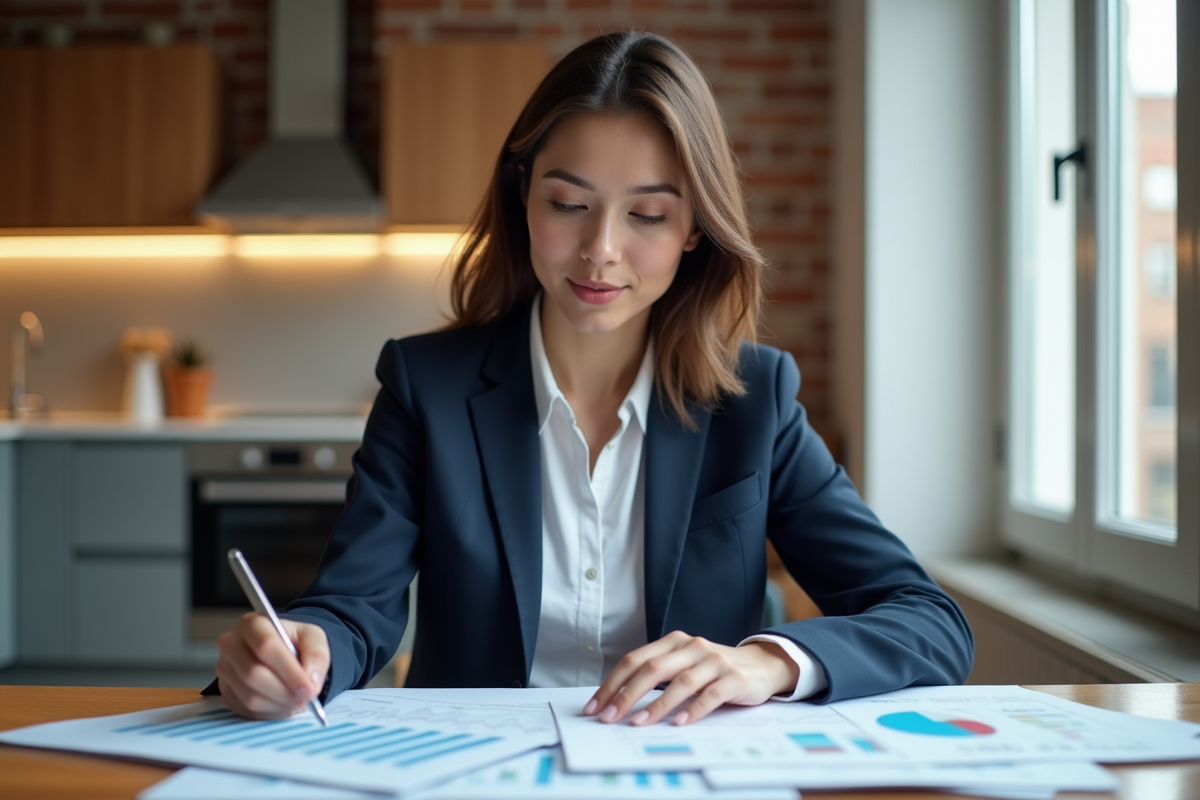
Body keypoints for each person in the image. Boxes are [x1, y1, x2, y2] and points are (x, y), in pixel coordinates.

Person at [209, 30, 973, 728]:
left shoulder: (755, 400)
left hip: (687, 769)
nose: (599, 250)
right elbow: (352, 610)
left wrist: (764, 662)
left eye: (646, 215)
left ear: (694, 231)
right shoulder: (425, 387)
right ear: (524, 199)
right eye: (569, 204)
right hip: (476, 773)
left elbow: (928, 621)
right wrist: (301, 651)